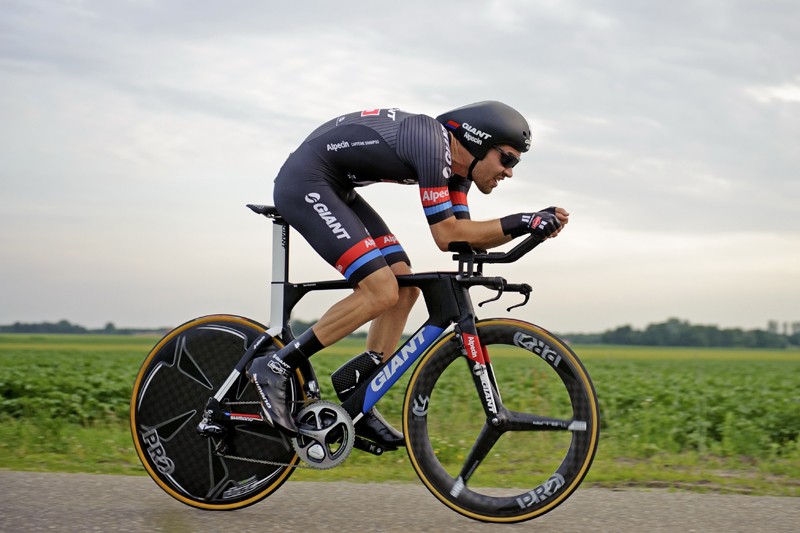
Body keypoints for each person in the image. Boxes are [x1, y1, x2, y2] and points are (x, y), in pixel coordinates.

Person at [247, 101, 569, 449]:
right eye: (507, 159)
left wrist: (532, 225)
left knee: (404, 289)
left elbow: (461, 237)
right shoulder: (432, 145)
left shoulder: (458, 172)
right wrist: (522, 220)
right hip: (306, 182)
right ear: (477, 141)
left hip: (336, 186)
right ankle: (276, 366)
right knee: (380, 290)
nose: (509, 171)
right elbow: (446, 234)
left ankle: (360, 391)